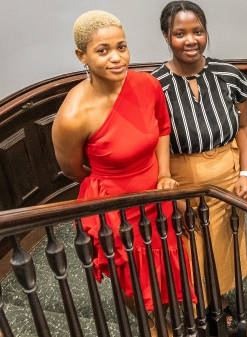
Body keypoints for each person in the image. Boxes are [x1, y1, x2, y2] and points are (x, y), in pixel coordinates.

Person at [52, 9, 194, 326]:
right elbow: (74, 170)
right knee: (131, 274)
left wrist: (166, 175)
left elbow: (162, 128)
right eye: (103, 50)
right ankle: (153, 324)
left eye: (122, 46)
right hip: (113, 206)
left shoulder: (147, 85)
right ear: (82, 56)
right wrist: (113, 181)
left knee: (165, 267)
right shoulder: (73, 115)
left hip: (156, 193)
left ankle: (163, 318)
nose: (117, 58)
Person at [151, 0, 247, 323]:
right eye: (180, 33)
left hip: (229, 174)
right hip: (184, 179)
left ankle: (219, 306)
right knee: (193, 251)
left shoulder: (229, 75)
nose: (190, 40)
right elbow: (155, 143)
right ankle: (201, 313)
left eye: (198, 31)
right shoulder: (155, 86)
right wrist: (170, 188)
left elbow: (246, 127)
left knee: (225, 249)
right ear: (166, 36)